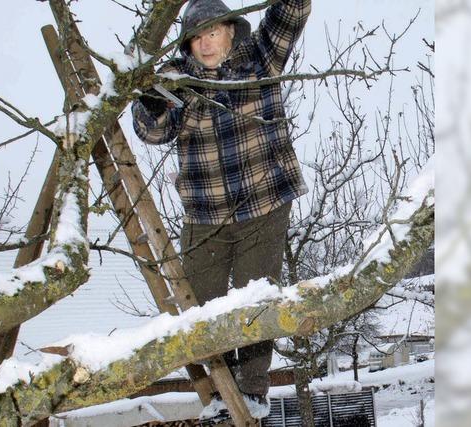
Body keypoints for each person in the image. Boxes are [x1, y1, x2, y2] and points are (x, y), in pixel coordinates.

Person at [132, 0, 311, 422]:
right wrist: (153, 101)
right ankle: (217, 395)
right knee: (200, 309)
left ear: (233, 31)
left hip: (263, 205)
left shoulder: (260, 58)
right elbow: (152, 131)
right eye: (196, 36)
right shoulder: (180, 80)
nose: (205, 43)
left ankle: (251, 392)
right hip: (204, 215)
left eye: (213, 32)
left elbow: (290, 14)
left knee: (254, 303)